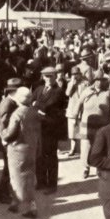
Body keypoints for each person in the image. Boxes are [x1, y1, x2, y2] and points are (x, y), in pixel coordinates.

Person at [1, 87, 41, 219]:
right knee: (29, 178)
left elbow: (10, 134)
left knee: (16, 179)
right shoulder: (34, 112)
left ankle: (25, 205)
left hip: (17, 151)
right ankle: (20, 204)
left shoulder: (17, 113)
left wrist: (2, 134)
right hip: (31, 149)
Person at [73, 70, 110, 179]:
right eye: (97, 80)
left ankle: (99, 168)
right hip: (86, 124)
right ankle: (85, 169)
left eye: (101, 80)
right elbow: (78, 104)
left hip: (103, 124)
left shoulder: (108, 93)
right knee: (86, 147)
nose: (99, 83)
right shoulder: (86, 91)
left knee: (100, 147)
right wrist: (75, 118)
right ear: (94, 81)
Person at [32, 66, 67, 195]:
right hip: (39, 128)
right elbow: (31, 102)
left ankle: (51, 184)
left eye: (50, 76)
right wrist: (37, 106)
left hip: (51, 129)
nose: (48, 79)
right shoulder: (39, 89)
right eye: (46, 76)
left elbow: (49, 105)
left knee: (50, 156)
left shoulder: (58, 91)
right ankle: (41, 182)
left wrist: (37, 105)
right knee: (39, 155)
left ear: (55, 76)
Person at [0, 78, 23, 204]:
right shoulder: (8, 104)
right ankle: (2, 193)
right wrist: (5, 139)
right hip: (8, 140)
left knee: (9, 167)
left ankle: (3, 191)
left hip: (9, 139)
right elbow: (3, 123)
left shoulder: (10, 102)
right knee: (9, 168)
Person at [65, 67, 86, 157]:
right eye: (73, 74)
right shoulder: (70, 83)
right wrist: (72, 84)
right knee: (72, 131)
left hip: (82, 109)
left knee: (82, 130)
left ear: (80, 74)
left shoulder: (85, 83)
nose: (75, 76)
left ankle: (82, 150)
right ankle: (72, 149)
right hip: (72, 109)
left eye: (76, 74)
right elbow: (67, 94)